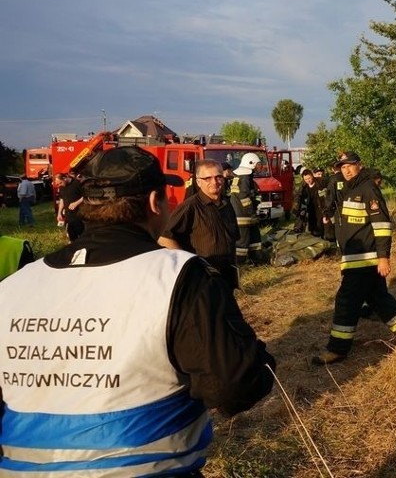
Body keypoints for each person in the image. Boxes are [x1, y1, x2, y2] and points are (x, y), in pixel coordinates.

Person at [0, 146, 275, 475]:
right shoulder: (182, 277)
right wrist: (258, 358)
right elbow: (233, 386)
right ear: (155, 203)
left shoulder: (14, 285)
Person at [312, 151, 396, 365]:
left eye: (350, 165)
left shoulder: (367, 189)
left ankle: (337, 349)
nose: (346, 170)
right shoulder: (351, 189)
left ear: (360, 165)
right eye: (342, 166)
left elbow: (382, 226)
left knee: (346, 301)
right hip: (355, 257)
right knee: (378, 298)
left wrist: (384, 257)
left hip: (365, 258)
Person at [159, 159, 241, 290]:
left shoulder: (226, 204)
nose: (214, 182)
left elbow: (232, 239)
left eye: (218, 177)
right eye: (207, 178)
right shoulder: (190, 206)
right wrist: (188, 264)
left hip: (226, 275)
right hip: (203, 278)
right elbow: (164, 237)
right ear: (198, 182)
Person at [230, 152, 264, 263]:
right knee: (242, 243)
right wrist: (252, 212)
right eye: (257, 164)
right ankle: (240, 264)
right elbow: (244, 197)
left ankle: (257, 259)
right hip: (244, 216)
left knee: (254, 239)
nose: (259, 167)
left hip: (242, 214)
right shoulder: (245, 177)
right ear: (251, 163)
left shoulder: (241, 176)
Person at [295, 167, 327, 236]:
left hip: (320, 207)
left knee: (321, 225)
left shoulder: (321, 181)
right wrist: (296, 208)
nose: (308, 180)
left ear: (312, 175)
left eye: (309, 178)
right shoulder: (303, 186)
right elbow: (298, 196)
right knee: (311, 226)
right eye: (306, 179)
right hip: (310, 208)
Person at [58, 171, 85, 241]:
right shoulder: (61, 187)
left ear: (64, 178)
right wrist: (59, 213)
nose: (60, 185)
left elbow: (86, 195)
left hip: (79, 214)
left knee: (82, 235)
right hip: (68, 215)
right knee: (71, 236)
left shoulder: (77, 184)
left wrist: (76, 203)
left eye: (60, 182)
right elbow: (62, 200)